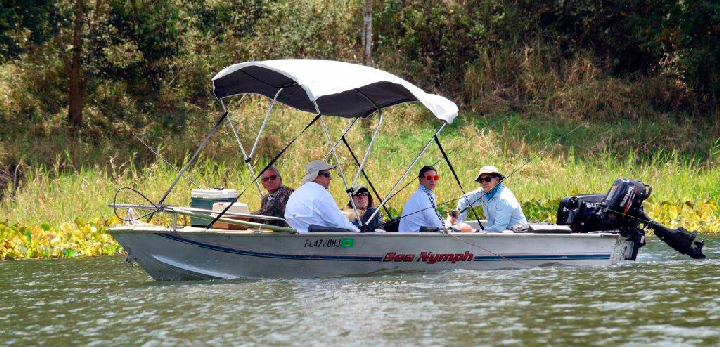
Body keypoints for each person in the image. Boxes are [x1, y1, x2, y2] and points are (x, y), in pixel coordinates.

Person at [284, 160, 360, 233]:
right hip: (319, 240)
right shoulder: (320, 194)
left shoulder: (296, 193)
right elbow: (339, 222)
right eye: (327, 175)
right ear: (316, 177)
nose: (330, 178)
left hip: (297, 237)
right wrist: (358, 232)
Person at [449, 165, 527, 232]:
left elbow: (499, 229)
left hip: (516, 234)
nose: (484, 183)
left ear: (496, 180)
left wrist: (474, 231)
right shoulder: (482, 192)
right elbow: (464, 200)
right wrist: (459, 223)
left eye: (487, 179)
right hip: (495, 235)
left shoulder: (504, 199)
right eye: (481, 181)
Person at [398, 166, 445, 233]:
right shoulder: (423, 196)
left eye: (435, 177)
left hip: (411, 235)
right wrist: (447, 228)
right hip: (415, 237)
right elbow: (433, 221)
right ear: (420, 180)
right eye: (429, 177)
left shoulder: (422, 194)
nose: (433, 180)